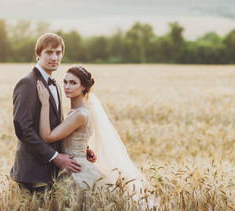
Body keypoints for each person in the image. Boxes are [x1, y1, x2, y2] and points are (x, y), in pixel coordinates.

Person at [37, 65, 152, 197]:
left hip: (76, 171)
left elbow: (47, 136)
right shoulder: (82, 110)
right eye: (65, 82)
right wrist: (84, 148)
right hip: (74, 165)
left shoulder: (79, 114)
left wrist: (45, 103)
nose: (67, 86)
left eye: (73, 83)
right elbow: (77, 136)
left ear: (84, 87)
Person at [10, 33, 95, 193]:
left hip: (55, 172)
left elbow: (59, 126)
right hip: (33, 173)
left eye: (58, 53)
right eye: (49, 52)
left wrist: (82, 149)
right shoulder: (27, 83)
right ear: (38, 55)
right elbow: (23, 129)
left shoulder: (56, 84)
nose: (54, 57)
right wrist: (54, 156)